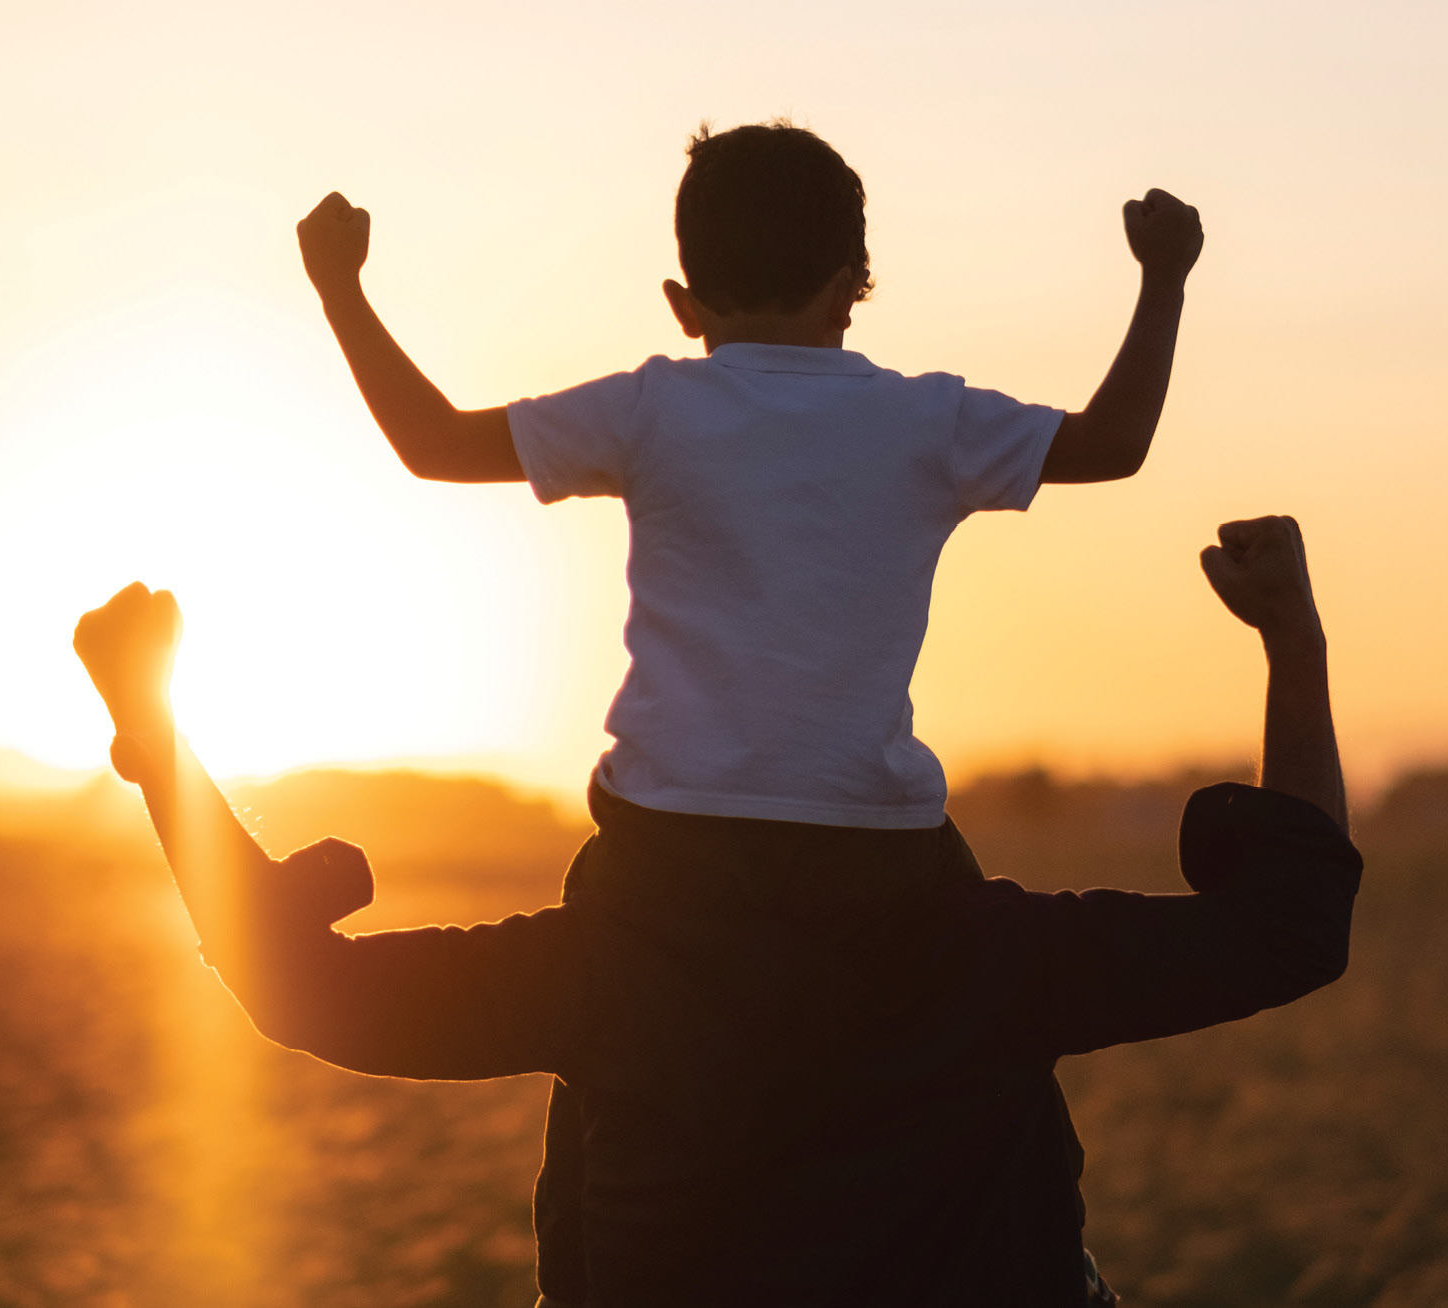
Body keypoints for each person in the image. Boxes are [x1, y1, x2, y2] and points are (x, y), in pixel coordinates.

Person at [297, 123, 1204, 1293]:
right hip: (881, 857)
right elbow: (1113, 444)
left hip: (670, 852)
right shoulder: (924, 417)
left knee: (609, 1083)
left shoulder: (652, 409)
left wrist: (341, 292)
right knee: (984, 1044)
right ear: (854, 285)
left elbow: (431, 444)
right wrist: (1163, 282)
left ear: (682, 301)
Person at [73, 515, 1358, 1307]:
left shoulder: (603, 971)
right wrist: (1291, 641)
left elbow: (302, 986)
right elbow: (1290, 923)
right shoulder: (994, 956)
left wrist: (159, 736)